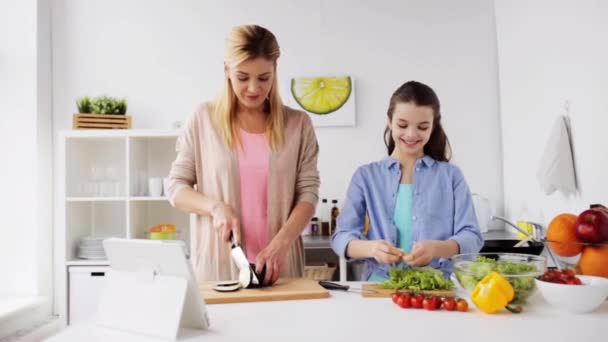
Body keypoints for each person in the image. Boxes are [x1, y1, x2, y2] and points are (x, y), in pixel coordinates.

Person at [167, 24, 320, 285]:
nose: (253, 88)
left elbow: (308, 194)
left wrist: (281, 244)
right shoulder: (203, 119)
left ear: (275, 71)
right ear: (226, 70)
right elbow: (176, 188)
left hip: (280, 268)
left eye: (264, 78)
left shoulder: (298, 124)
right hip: (218, 269)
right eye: (242, 77)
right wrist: (214, 207)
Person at [331, 80, 483, 281]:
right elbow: (341, 237)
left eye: (422, 127)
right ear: (389, 121)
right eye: (402, 125)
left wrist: (436, 248)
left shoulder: (451, 176)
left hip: (436, 286)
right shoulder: (366, 176)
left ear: (433, 126)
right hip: (380, 287)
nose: (411, 134)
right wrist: (372, 248)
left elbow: (472, 237)